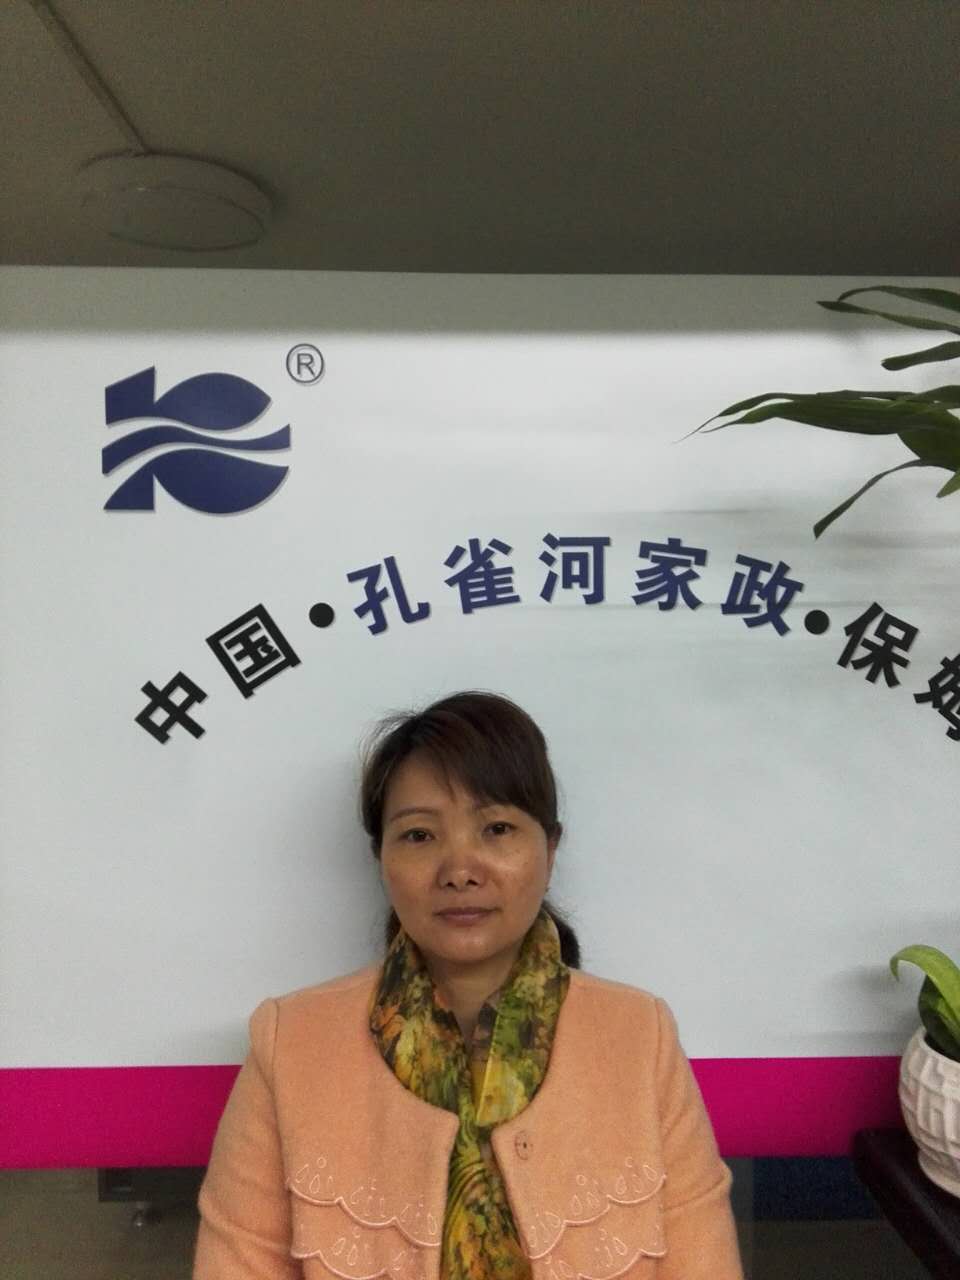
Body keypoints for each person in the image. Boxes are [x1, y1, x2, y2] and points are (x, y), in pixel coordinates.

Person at [193, 690, 743, 1280]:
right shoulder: (292, 1043)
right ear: (381, 858)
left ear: (549, 849)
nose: (459, 870)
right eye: (419, 835)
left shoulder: (637, 1036)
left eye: (497, 828)